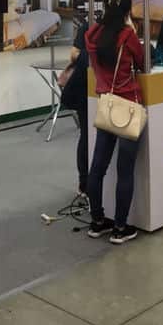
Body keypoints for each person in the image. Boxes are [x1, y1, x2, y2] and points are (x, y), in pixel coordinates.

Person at [85, 0, 145, 245]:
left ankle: (97, 221)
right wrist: (129, 25)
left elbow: (95, 33)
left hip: (106, 106)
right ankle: (120, 227)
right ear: (127, 11)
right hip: (128, 106)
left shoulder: (92, 35)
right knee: (125, 170)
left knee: (97, 167)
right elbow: (142, 60)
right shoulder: (128, 35)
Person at [60, 19, 89, 196]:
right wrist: (90, 55)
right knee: (86, 135)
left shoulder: (125, 27)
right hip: (85, 89)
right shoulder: (89, 26)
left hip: (102, 89)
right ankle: (84, 184)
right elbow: (74, 54)